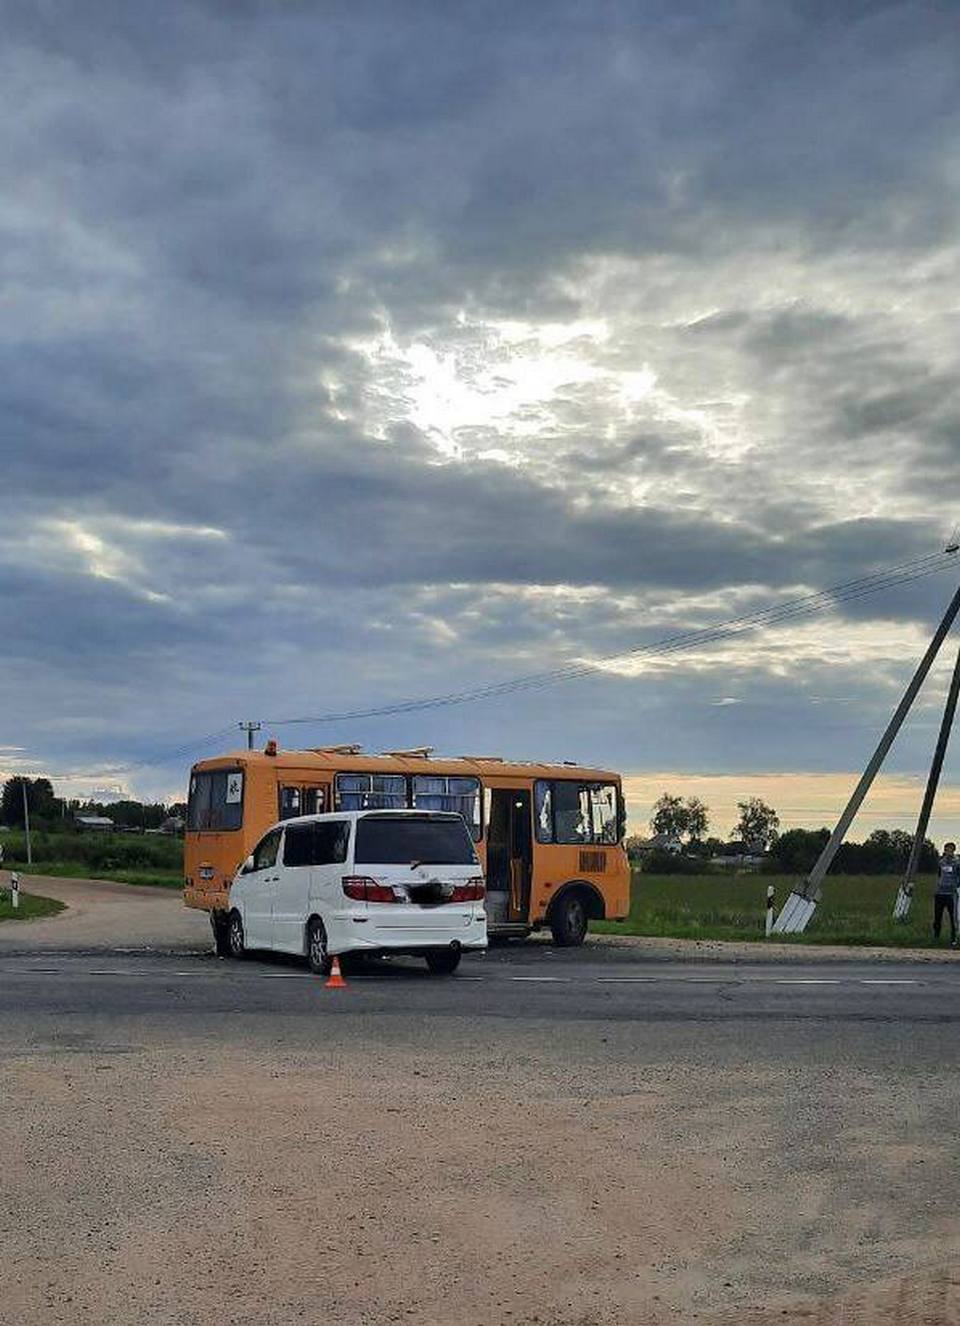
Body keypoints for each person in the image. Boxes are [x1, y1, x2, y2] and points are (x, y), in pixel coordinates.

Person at [933, 842, 960, 948]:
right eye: (946, 849)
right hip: (940, 893)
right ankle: (936, 937)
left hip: (951, 894)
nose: (948, 851)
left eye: (950, 849)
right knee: (937, 917)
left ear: (953, 850)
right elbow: (940, 874)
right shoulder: (941, 862)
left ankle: (954, 938)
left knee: (953, 918)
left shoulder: (957, 863)